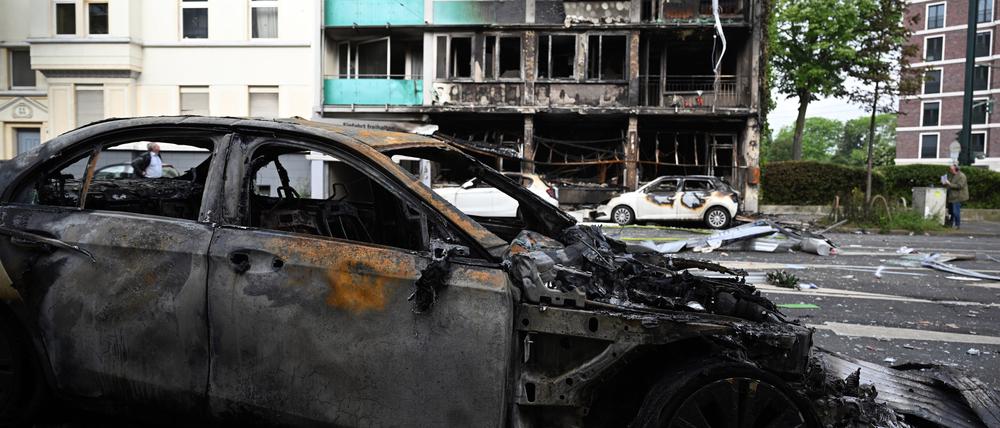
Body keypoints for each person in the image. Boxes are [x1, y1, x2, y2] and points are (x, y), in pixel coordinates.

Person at [943, 163, 969, 229]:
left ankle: (958, 225)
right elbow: (950, 184)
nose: (950, 170)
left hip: (958, 197)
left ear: (956, 169)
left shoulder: (962, 176)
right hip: (951, 196)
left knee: (955, 211)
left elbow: (960, 186)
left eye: (951, 169)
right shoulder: (952, 175)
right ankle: (950, 224)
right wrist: (945, 183)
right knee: (951, 211)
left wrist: (949, 184)